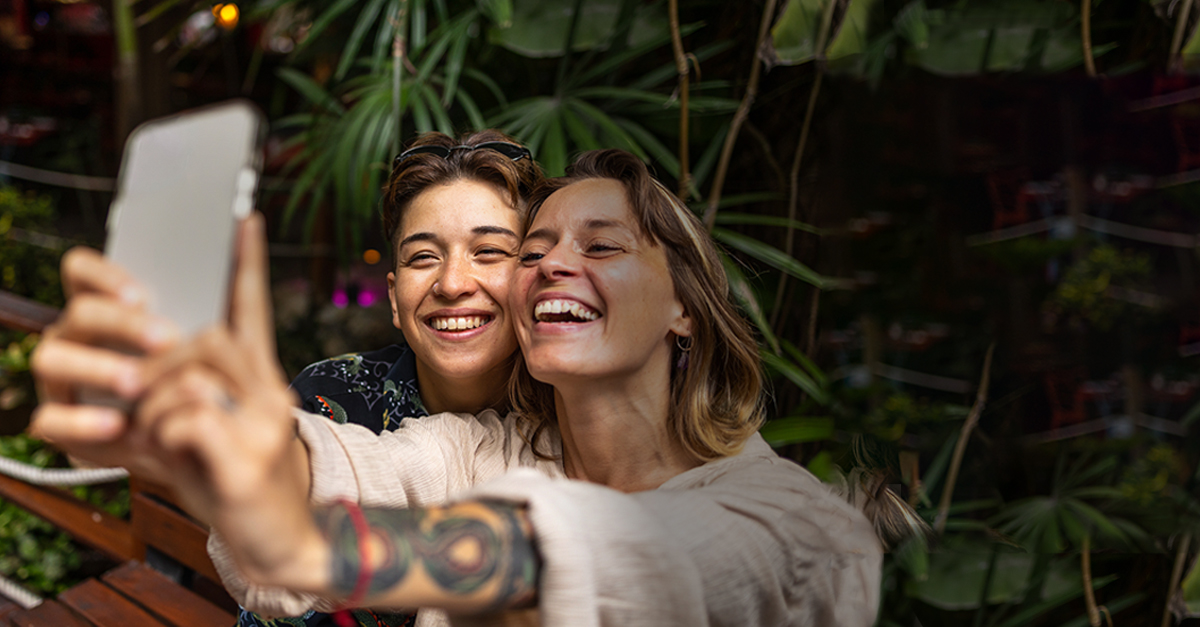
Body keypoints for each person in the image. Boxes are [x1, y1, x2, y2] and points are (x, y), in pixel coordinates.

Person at [33, 150, 883, 626]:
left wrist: (320, 548)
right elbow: (351, 471)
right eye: (540, 245)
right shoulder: (488, 445)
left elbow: (645, 560)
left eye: (601, 245)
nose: (553, 261)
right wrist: (224, 437)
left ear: (685, 310)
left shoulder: (792, 514)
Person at [32, 129, 542, 627]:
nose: (452, 283)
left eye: (490, 252)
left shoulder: (559, 424)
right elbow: (292, 514)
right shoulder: (329, 394)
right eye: (423, 257)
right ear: (393, 296)